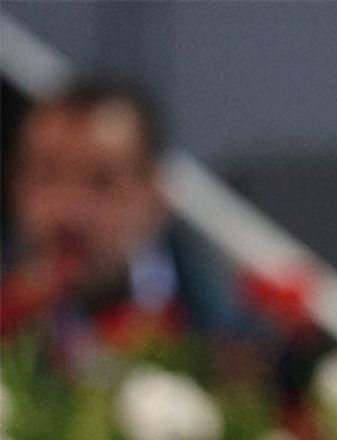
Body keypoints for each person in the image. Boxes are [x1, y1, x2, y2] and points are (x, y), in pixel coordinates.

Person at [1, 79, 242, 368]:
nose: (69, 212)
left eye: (101, 182)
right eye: (46, 175)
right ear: (15, 185)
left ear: (156, 195)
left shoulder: (226, 337)